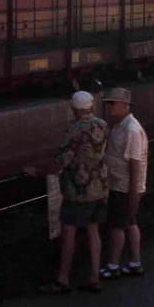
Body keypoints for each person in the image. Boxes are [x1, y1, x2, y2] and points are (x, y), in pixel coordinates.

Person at [39, 91, 108, 294]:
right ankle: (95, 276)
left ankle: (63, 279)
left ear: (74, 109)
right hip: (100, 187)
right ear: (92, 107)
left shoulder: (75, 130)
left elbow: (63, 160)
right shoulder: (102, 125)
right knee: (93, 231)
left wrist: (37, 170)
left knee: (68, 232)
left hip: (77, 189)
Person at [101, 88, 149, 279]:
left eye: (112, 103)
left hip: (124, 186)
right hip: (122, 184)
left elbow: (135, 163)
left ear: (124, 105)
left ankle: (113, 265)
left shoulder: (131, 130)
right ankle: (135, 262)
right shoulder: (120, 126)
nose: (109, 107)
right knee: (130, 223)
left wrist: (134, 192)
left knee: (117, 226)